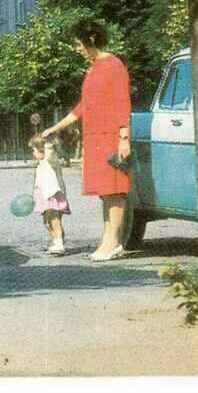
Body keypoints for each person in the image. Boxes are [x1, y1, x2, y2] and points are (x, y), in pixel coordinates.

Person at [41, 18, 132, 261]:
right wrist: (56, 127)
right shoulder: (93, 67)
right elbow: (84, 106)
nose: (76, 49)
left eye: (78, 44)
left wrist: (124, 138)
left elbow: (123, 102)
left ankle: (112, 242)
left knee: (115, 191)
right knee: (105, 192)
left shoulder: (113, 65)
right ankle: (109, 241)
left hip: (111, 136)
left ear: (90, 40)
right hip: (96, 138)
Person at [30, 135, 70, 255]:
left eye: (34, 150)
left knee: (54, 219)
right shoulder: (41, 163)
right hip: (43, 195)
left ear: (43, 151)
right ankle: (57, 241)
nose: (33, 153)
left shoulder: (50, 161)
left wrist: (48, 142)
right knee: (47, 222)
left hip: (52, 194)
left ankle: (59, 243)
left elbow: (50, 151)